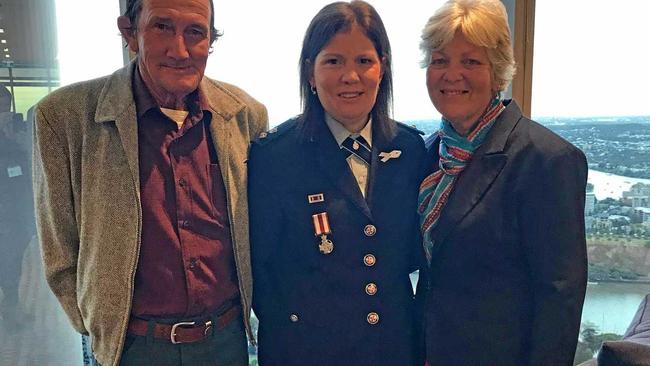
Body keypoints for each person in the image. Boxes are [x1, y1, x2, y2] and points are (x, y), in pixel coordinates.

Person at [32, 0, 268, 364]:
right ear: (130, 33)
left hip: (226, 341)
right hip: (133, 348)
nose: (180, 50)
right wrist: (99, 324)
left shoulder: (244, 115)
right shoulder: (65, 117)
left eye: (195, 32)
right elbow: (59, 247)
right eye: (162, 27)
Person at [248, 1, 426, 365]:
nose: (350, 76)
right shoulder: (275, 157)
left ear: (383, 68)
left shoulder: (409, 150)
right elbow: (260, 271)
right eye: (333, 61)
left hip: (393, 350)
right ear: (310, 73)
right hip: (306, 351)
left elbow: (412, 255)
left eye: (364, 61)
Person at [416, 0, 588, 365]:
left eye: (470, 61)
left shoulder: (546, 160)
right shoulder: (430, 155)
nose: (452, 74)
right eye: (440, 60)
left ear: (498, 73)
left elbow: (560, 296)